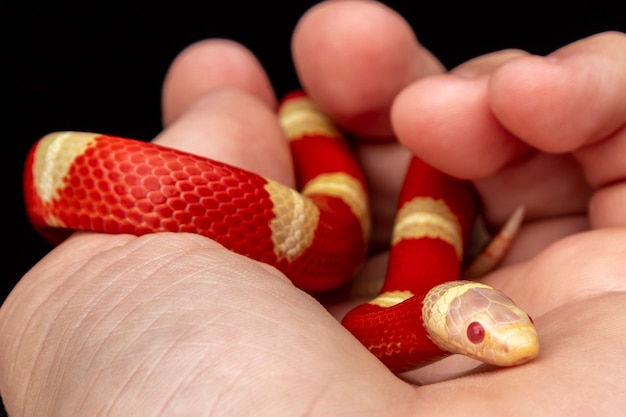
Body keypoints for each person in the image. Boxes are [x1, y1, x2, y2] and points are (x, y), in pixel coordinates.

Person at [2, 1, 625, 415]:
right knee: (447, 119)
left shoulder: (393, 324)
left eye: (495, 330)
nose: (508, 348)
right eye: (483, 335)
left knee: (450, 126)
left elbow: (371, 327)